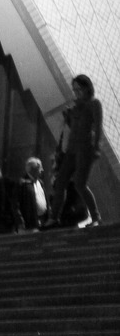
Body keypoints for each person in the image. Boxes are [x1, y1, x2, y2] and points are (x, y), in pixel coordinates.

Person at [49, 75, 103, 227]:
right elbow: (73, 129)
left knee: (80, 183)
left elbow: (98, 126)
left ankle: (96, 217)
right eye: (74, 89)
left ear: (87, 88)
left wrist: (97, 147)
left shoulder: (94, 104)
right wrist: (68, 116)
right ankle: (53, 217)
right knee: (60, 182)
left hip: (85, 149)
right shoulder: (75, 107)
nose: (76, 92)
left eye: (79, 89)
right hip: (71, 150)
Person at [18, 157, 49, 232]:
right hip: (30, 225)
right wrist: (20, 221)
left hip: (43, 223)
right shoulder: (23, 184)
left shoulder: (40, 183)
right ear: (33, 169)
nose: (42, 170)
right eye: (40, 168)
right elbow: (16, 204)